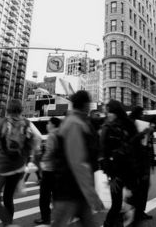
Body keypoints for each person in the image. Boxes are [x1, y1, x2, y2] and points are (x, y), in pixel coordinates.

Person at [51, 90, 103, 227]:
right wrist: (92, 195)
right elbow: (78, 162)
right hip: (69, 189)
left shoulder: (78, 122)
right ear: (85, 105)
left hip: (75, 189)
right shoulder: (75, 124)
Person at [0, 99, 40, 227]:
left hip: (2, 166)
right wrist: (30, 153)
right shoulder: (27, 123)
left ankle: (7, 224)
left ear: (7, 109)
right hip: (18, 167)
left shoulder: (0, 123)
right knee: (8, 197)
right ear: (20, 109)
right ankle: (9, 222)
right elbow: (38, 137)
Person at [101, 100, 141, 227]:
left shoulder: (128, 125)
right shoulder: (107, 127)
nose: (107, 115)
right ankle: (109, 224)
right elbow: (103, 153)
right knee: (116, 204)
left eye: (109, 112)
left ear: (116, 112)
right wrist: (110, 176)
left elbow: (135, 146)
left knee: (133, 197)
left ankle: (124, 219)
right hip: (116, 172)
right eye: (107, 112)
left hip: (129, 169)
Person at [33, 116, 61, 225]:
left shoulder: (52, 135)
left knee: (44, 196)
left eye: (48, 123)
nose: (47, 125)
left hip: (49, 169)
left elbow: (50, 151)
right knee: (56, 195)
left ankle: (45, 218)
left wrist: (42, 160)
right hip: (58, 169)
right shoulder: (61, 135)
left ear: (53, 125)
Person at [129, 106, 154, 221]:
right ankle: (136, 209)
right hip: (137, 161)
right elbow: (132, 141)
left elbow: (148, 142)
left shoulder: (143, 124)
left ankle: (140, 211)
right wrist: (144, 132)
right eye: (141, 113)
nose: (143, 115)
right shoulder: (132, 124)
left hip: (144, 159)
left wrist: (150, 133)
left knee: (144, 187)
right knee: (141, 187)